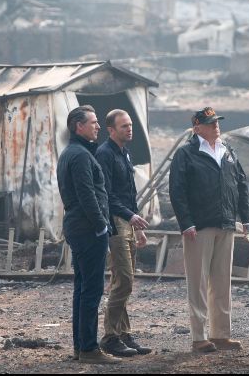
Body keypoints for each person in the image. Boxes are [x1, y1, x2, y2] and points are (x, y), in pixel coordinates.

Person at [169, 107, 249, 353]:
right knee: (199, 282)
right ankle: (199, 337)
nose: (216, 126)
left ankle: (221, 334)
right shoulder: (186, 154)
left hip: (225, 223)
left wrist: (244, 219)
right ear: (197, 127)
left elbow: (241, 185)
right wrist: (186, 223)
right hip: (199, 226)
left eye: (216, 122)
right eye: (210, 123)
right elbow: (177, 190)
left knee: (222, 281)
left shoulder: (228, 152)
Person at [56, 105, 119, 365]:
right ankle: (90, 349)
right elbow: (86, 194)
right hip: (87, 228)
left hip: (79, 226)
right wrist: (101, 225)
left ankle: (81, 346)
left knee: (82, 289)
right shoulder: (80, 155)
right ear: (78, 127)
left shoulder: (73, 152)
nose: (98, 126)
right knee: (91, 290)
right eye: (93, 122)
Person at [96, 109, 152, 357]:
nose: (130, 129)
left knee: (124, 282)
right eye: (124, 126)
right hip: (115, 222)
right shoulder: (105, 154)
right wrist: (129, 217)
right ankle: (110, 337)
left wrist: (137, 225)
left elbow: (129, 192)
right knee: (124, 281)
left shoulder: (124, 153)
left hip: (128, 221)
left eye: (130, 125)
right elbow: (107, 195)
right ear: (111, 130)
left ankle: (123, 333)